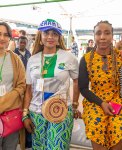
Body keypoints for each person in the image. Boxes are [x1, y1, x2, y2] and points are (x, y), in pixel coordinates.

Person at [78, 20, 122, 150]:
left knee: (119, 124)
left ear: (112, 36)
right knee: (96, 125)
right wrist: (101, 103)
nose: (102, 37)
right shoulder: (85, 59)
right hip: (95, 101)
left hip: (121, 101)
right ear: (94, 36)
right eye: (99, 33)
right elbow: (83, 88)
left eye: (107, 33)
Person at [22, 18, 81, 150]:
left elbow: (76, 81)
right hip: (36, 112)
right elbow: (29, 89)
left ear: (59, 37)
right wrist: (25, 114)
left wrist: (75, 105)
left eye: (54, 34)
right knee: (39, 148)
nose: (50, 37)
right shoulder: (32, 60)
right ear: (40, 36)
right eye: (46, 33)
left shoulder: (69, 58)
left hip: (61, 110)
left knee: (57, 147)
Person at [0, 22, 26, 150]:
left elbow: (22, 85)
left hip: (10, 115)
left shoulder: (15, 59)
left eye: (5, 35)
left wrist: (4, 102)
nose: (2, 38)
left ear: (9, 38)